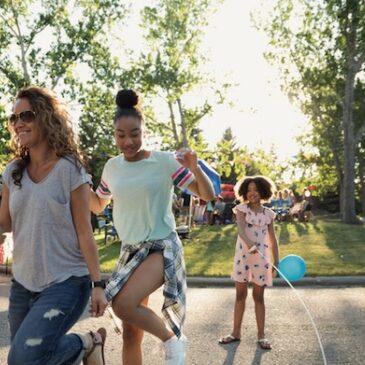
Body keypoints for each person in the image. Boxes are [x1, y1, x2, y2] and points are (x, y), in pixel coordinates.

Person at [0, 86, 108, 365]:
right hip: (23, 284)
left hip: (66, 282)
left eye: (26, 115)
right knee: (32, 361)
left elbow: (84, 231)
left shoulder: (69, 169)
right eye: (14, 118)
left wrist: (98, 284)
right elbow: (3, 225)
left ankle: (87, 343)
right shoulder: (13, 171)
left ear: (46, 117)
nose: (18, 123)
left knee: (23, 359)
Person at [89, 89, 215, 365]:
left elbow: (206, 195)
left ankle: (173, 339)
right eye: (121, 135)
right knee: (131, 334)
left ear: (144, 130)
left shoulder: (165, 162)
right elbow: (97, 204)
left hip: (161, 246)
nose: (128, 141)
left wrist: (196, 168)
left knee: (123, 304)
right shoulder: (112, 167)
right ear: (114, 135)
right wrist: (75, 180)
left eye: (134, 133)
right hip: (130, 251)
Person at [218, 175, 279, 351]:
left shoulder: (269, 214)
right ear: (244, 192)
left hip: (262, 259)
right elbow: (241, 230)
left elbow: (273, 239)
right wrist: (249, 244)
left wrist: (277, 260)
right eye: (249, 190)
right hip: (243, 256)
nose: (252, 193)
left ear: (263, 191)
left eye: (256, 190)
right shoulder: (241, 210)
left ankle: (261, 335)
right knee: (240, 295)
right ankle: (235, 333)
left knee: (259, 297)